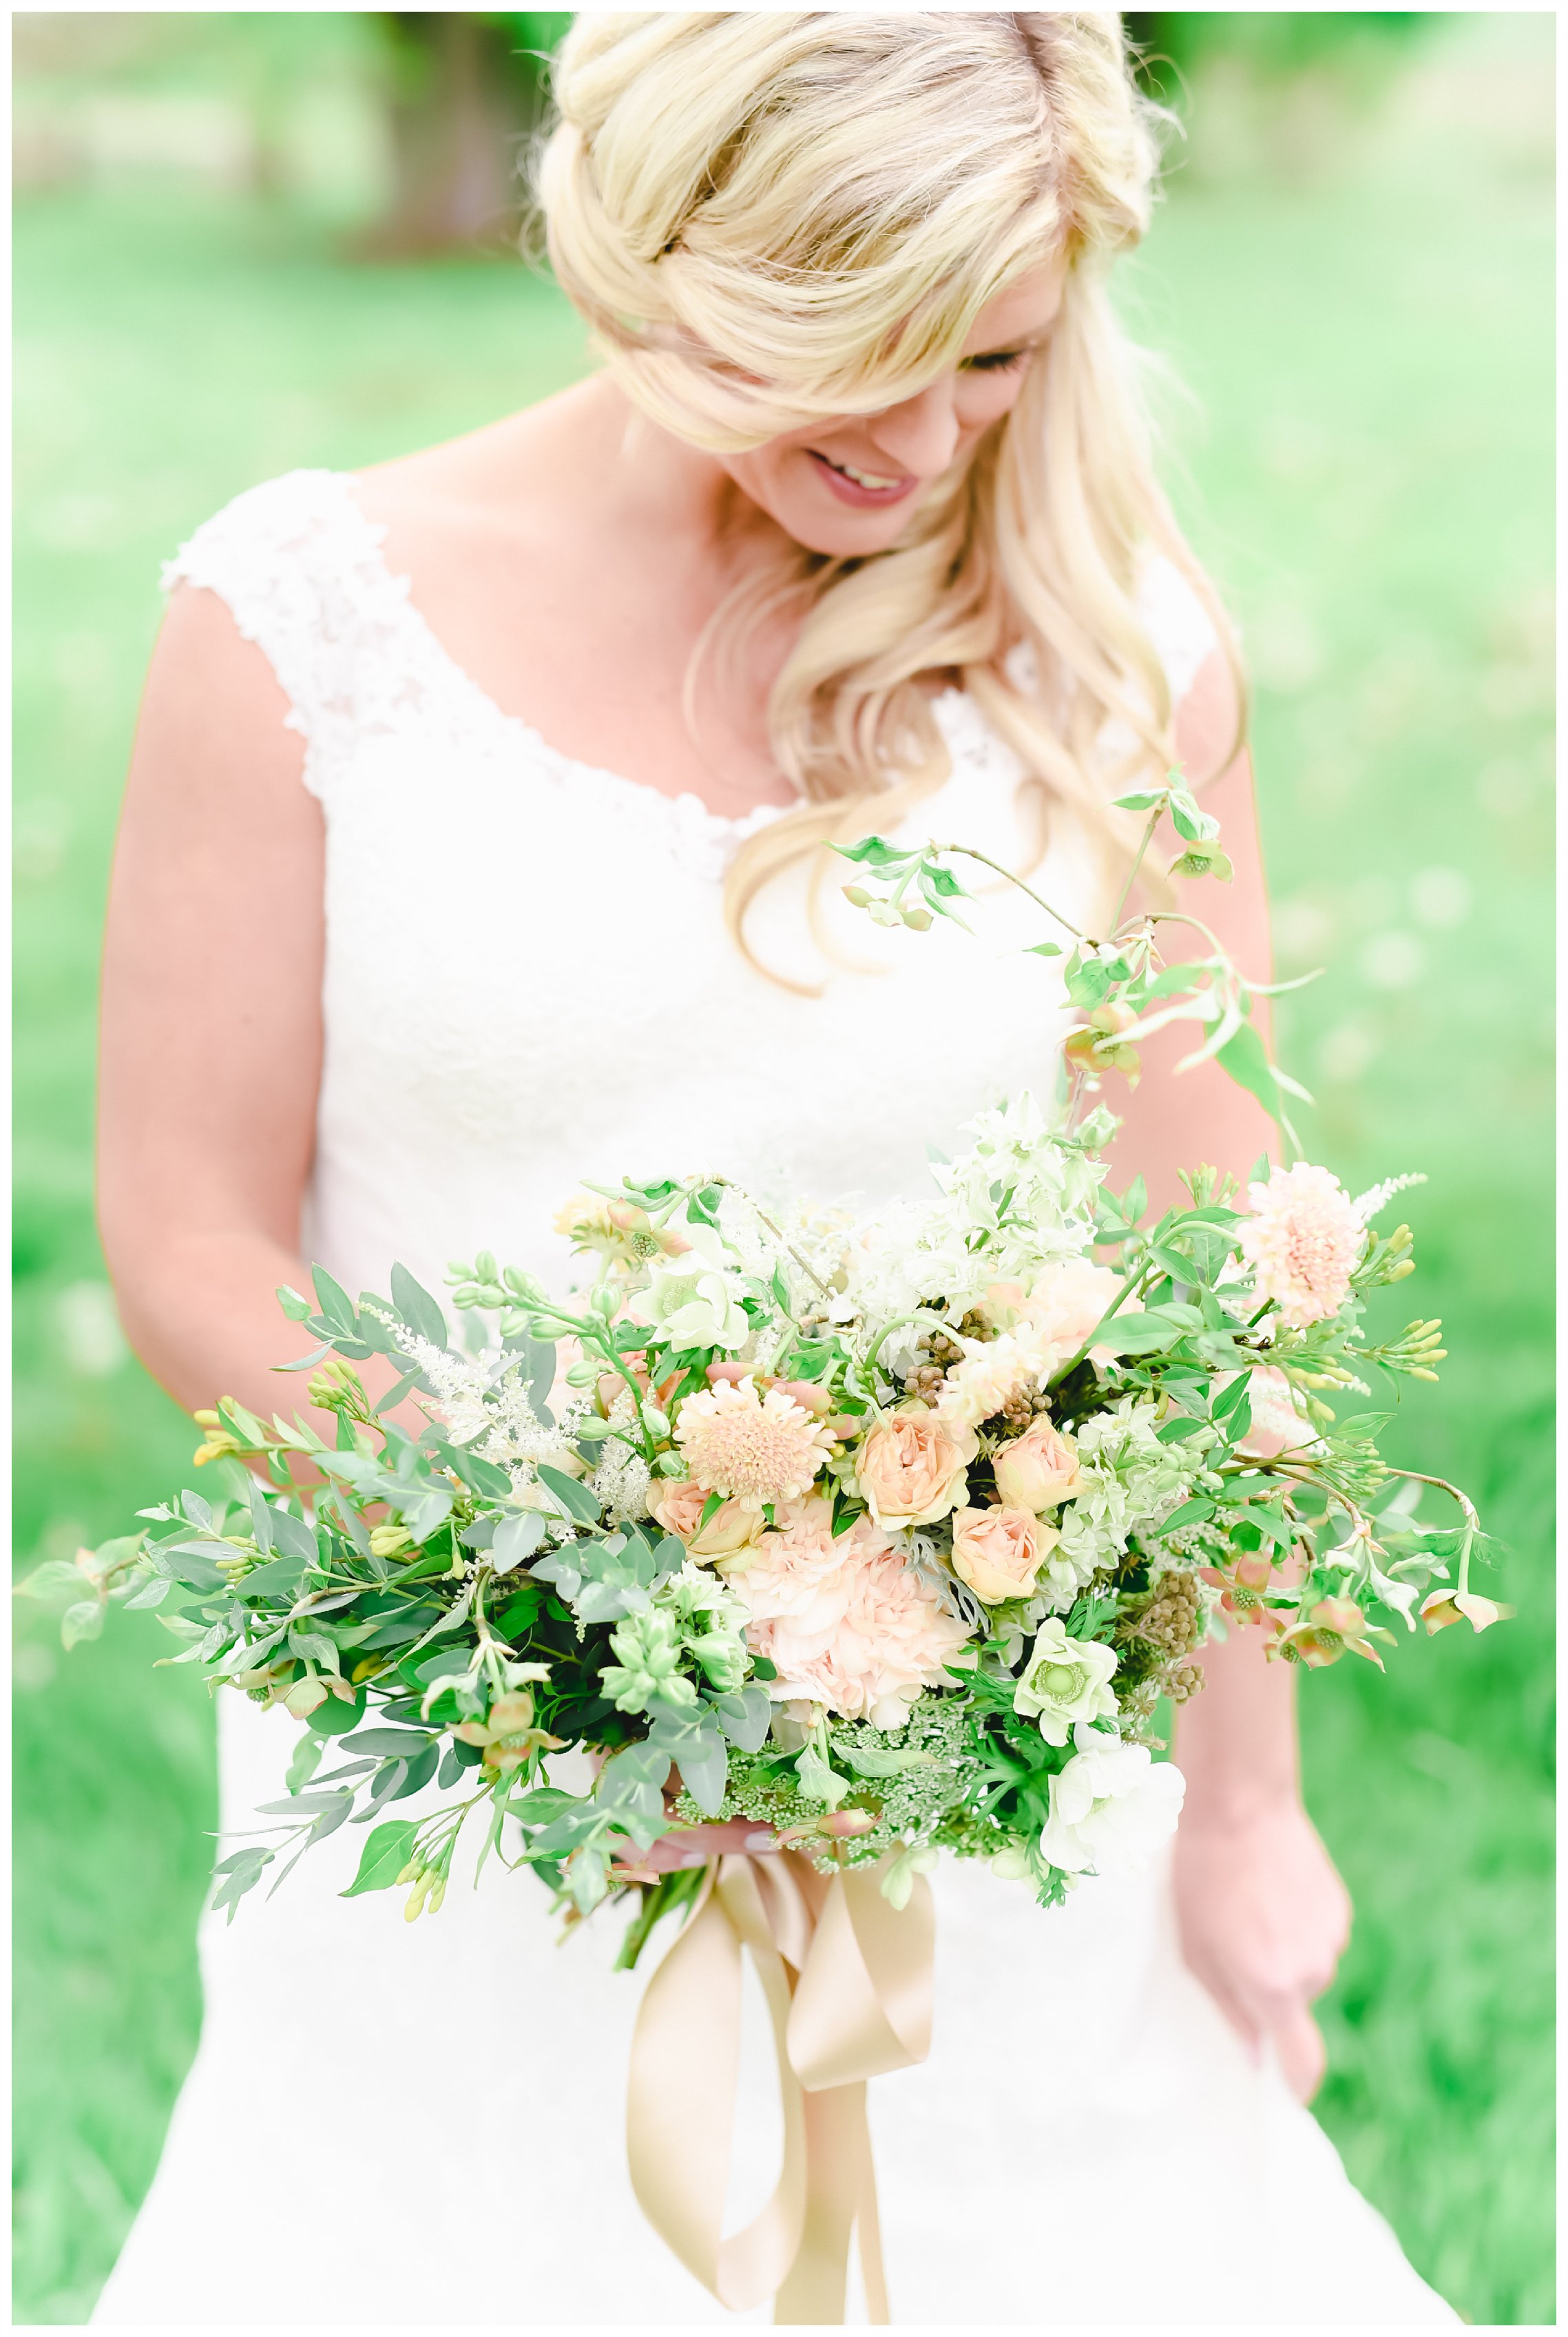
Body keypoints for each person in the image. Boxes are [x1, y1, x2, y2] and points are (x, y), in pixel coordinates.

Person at [91, 14, 1456, 2327]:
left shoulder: (1118, 663)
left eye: (998, 355)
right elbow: (195, 1241)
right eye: (846, 359)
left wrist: (1242, 1807)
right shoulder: (302, 617)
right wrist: (571, 1642)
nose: (923, 445)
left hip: (985, 1812)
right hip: (465, 1777)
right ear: (653, 260)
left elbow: (1209, 1287)